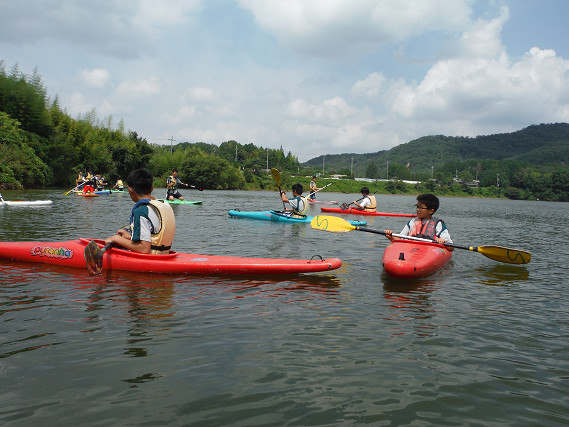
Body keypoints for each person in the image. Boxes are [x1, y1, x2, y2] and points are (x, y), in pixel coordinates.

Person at [105, 168, 176, 255]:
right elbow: (155, 238)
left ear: (130, 190)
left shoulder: (141, 211)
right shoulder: (163, 205)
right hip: (164, 254)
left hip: (151, 259)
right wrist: (130, 238)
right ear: (152, 188)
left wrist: (117, 239)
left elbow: (144, 249)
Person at [384, 193, 453, 249]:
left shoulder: (438, 224)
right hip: (411, 249)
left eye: (421, 207)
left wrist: (442, 241)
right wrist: (390, 236)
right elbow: (400, 240)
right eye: (417, 206)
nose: (417, 209)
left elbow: (450, 247)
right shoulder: (412, 222)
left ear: (431, 211)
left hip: (428, 251)